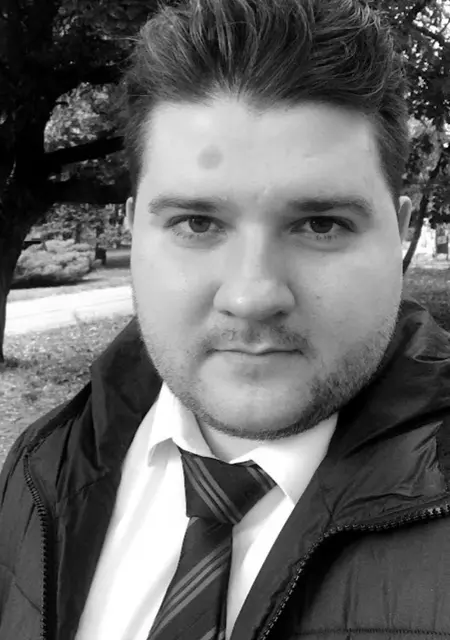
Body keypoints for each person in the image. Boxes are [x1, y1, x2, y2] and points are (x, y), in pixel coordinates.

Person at [1, 0, 450, 638]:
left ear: (399, 234)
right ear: (134, 230)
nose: (252, 296)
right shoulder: (42, 465)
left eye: (321, 224)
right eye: (197, 223)